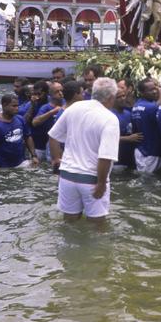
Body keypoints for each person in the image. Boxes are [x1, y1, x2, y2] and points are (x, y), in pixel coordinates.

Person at [48, 78, 121, 221]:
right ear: (111, 97)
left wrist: (56, 160)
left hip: (67, 176)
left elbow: (53, 136)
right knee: (97, 224)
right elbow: (105, 156)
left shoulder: (74, 108)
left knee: (69, 222)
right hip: (91, 180)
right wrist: (101, 184)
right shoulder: (110, 119)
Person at [0, 93, 38, 171]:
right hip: (3, 166)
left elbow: (28, 137)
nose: (17, 108)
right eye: (14, 106)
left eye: (17, 106)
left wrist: (34, 156)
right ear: (4, 105)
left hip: (22, 162)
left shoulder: (20, 119)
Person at [131, 77, 161, 174]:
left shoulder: (137, 105)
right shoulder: (150, 107)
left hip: (141, 149)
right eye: (150, 90)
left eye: (155, 88)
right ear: (142, 92)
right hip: (150, 152)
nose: (155, 91)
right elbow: (155, 108)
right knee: (149, 179)